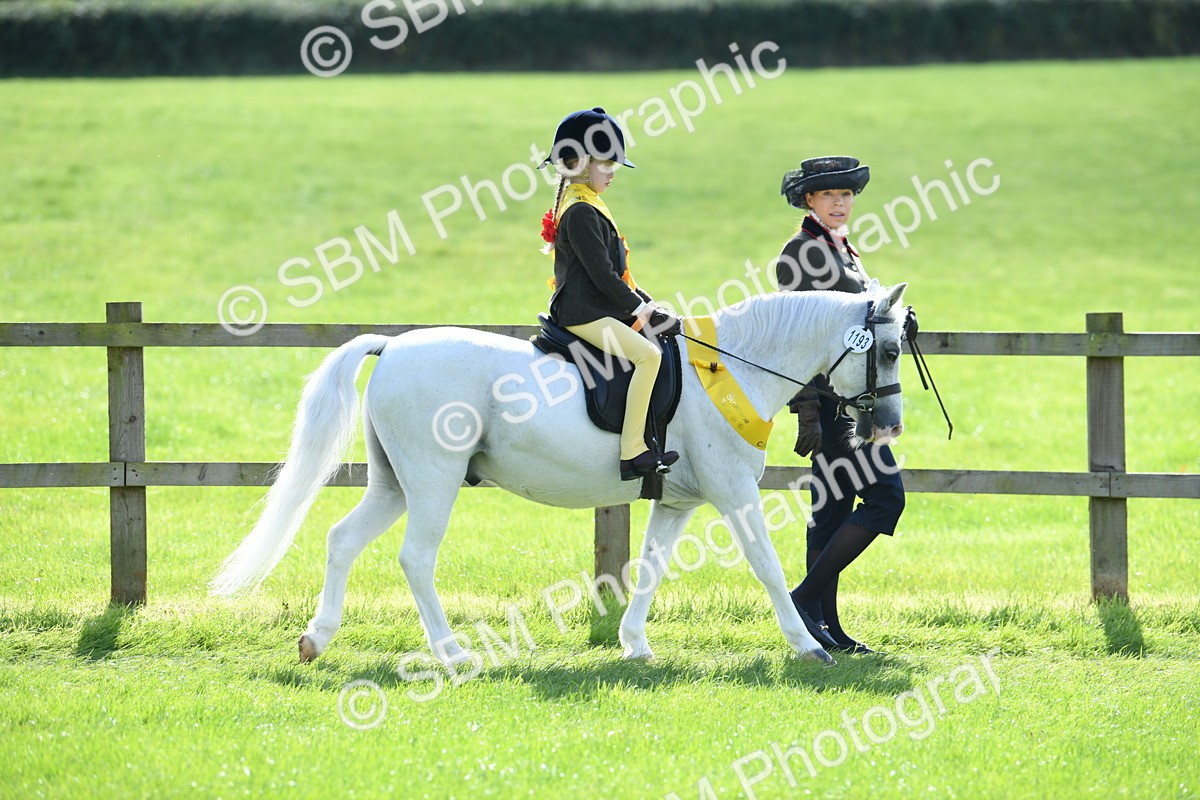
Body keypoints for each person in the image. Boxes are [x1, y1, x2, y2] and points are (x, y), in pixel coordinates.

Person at [775, 156, 916, 655]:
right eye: (829, 195)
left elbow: (862, 316)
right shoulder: (801, 253)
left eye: (846, 194)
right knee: (886, 500)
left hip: (855, 402)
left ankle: (824, 625)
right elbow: (794, 339)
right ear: (809, 200)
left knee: (831, 514)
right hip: (836, 409)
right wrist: (807, 412)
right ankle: (800, 601)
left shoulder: (842, 249)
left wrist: (897, 316)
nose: (840, 202)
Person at [538, 107, 680, 481]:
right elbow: (603, 275)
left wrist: (647, 304)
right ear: (583, 164)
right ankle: (632, 449)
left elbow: (618, 274)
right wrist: (640, 310)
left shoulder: (587, 202)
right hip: (583, 313)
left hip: (597, 308)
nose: (613, 172)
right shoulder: (582, 210)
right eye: (606, 164)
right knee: (648, 356)